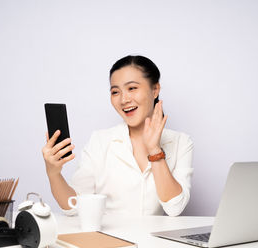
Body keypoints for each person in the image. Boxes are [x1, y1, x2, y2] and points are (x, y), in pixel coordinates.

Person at [42, 55, 193, 216]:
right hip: (109, 239)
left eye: (132, 88)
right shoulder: (100, 141)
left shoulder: (181, 142)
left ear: (155, 90)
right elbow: (74, 207)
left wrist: (155, 150)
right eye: (115, 92)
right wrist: (53, 173)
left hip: (154, 240)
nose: (124, 99)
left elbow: (174, 208)